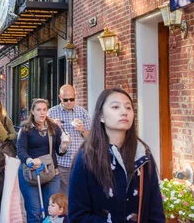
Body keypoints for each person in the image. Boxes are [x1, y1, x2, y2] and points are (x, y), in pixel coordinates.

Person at [68, 88, 164, 222]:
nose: (124, 112)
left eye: (128, 107)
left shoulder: (142, 155)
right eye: (115, 107)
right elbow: (77, 215)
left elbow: (155, 211)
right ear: (101, 116)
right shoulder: (87, 157)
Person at [17, 98, 69, 223]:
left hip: (51, 173)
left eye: (44, 110)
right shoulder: (25, 129)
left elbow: (58, 151)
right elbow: (21, 151)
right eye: (38, 110)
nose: (42, 113)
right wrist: (30, 161)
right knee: (34, 211)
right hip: (31, 173)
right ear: (33, 112)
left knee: (51, 210)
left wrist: (63, 147)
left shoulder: (54, 128)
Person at [48, 84, 91, 196]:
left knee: (80, 195)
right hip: (61, 163)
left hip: (80, 162)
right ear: (60, 97)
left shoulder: (82, 112)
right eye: (65, 100)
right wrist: (53, 127)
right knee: (64, 197)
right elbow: (45, 137)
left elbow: (91, 138)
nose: (69, 102)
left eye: (72, 99)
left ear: (75, 96)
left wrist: (82, 130)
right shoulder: (52, 113)